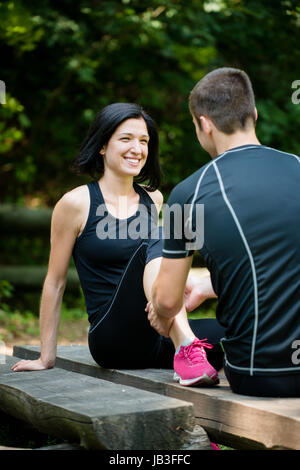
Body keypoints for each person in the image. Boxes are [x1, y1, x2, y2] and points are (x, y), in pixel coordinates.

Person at [11, 102, 225, 387]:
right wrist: (46, 357)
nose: (137, 148)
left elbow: (163, 267)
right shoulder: (76, 203)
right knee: (162, 235)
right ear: (102, 145)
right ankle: (187, 346)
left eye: (144, 140)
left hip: (155, 332)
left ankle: (190, 351)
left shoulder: (155, 198)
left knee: (233, 332)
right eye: (126, 139)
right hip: (112, 338)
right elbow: (55, 281)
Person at [147, 67, 300, 397]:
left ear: (204, 124)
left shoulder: (187, 194)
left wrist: (161, 308)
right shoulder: (297, 166)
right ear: (254, 114)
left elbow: (169, 300)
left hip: (258, 374)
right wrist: (207, 286)